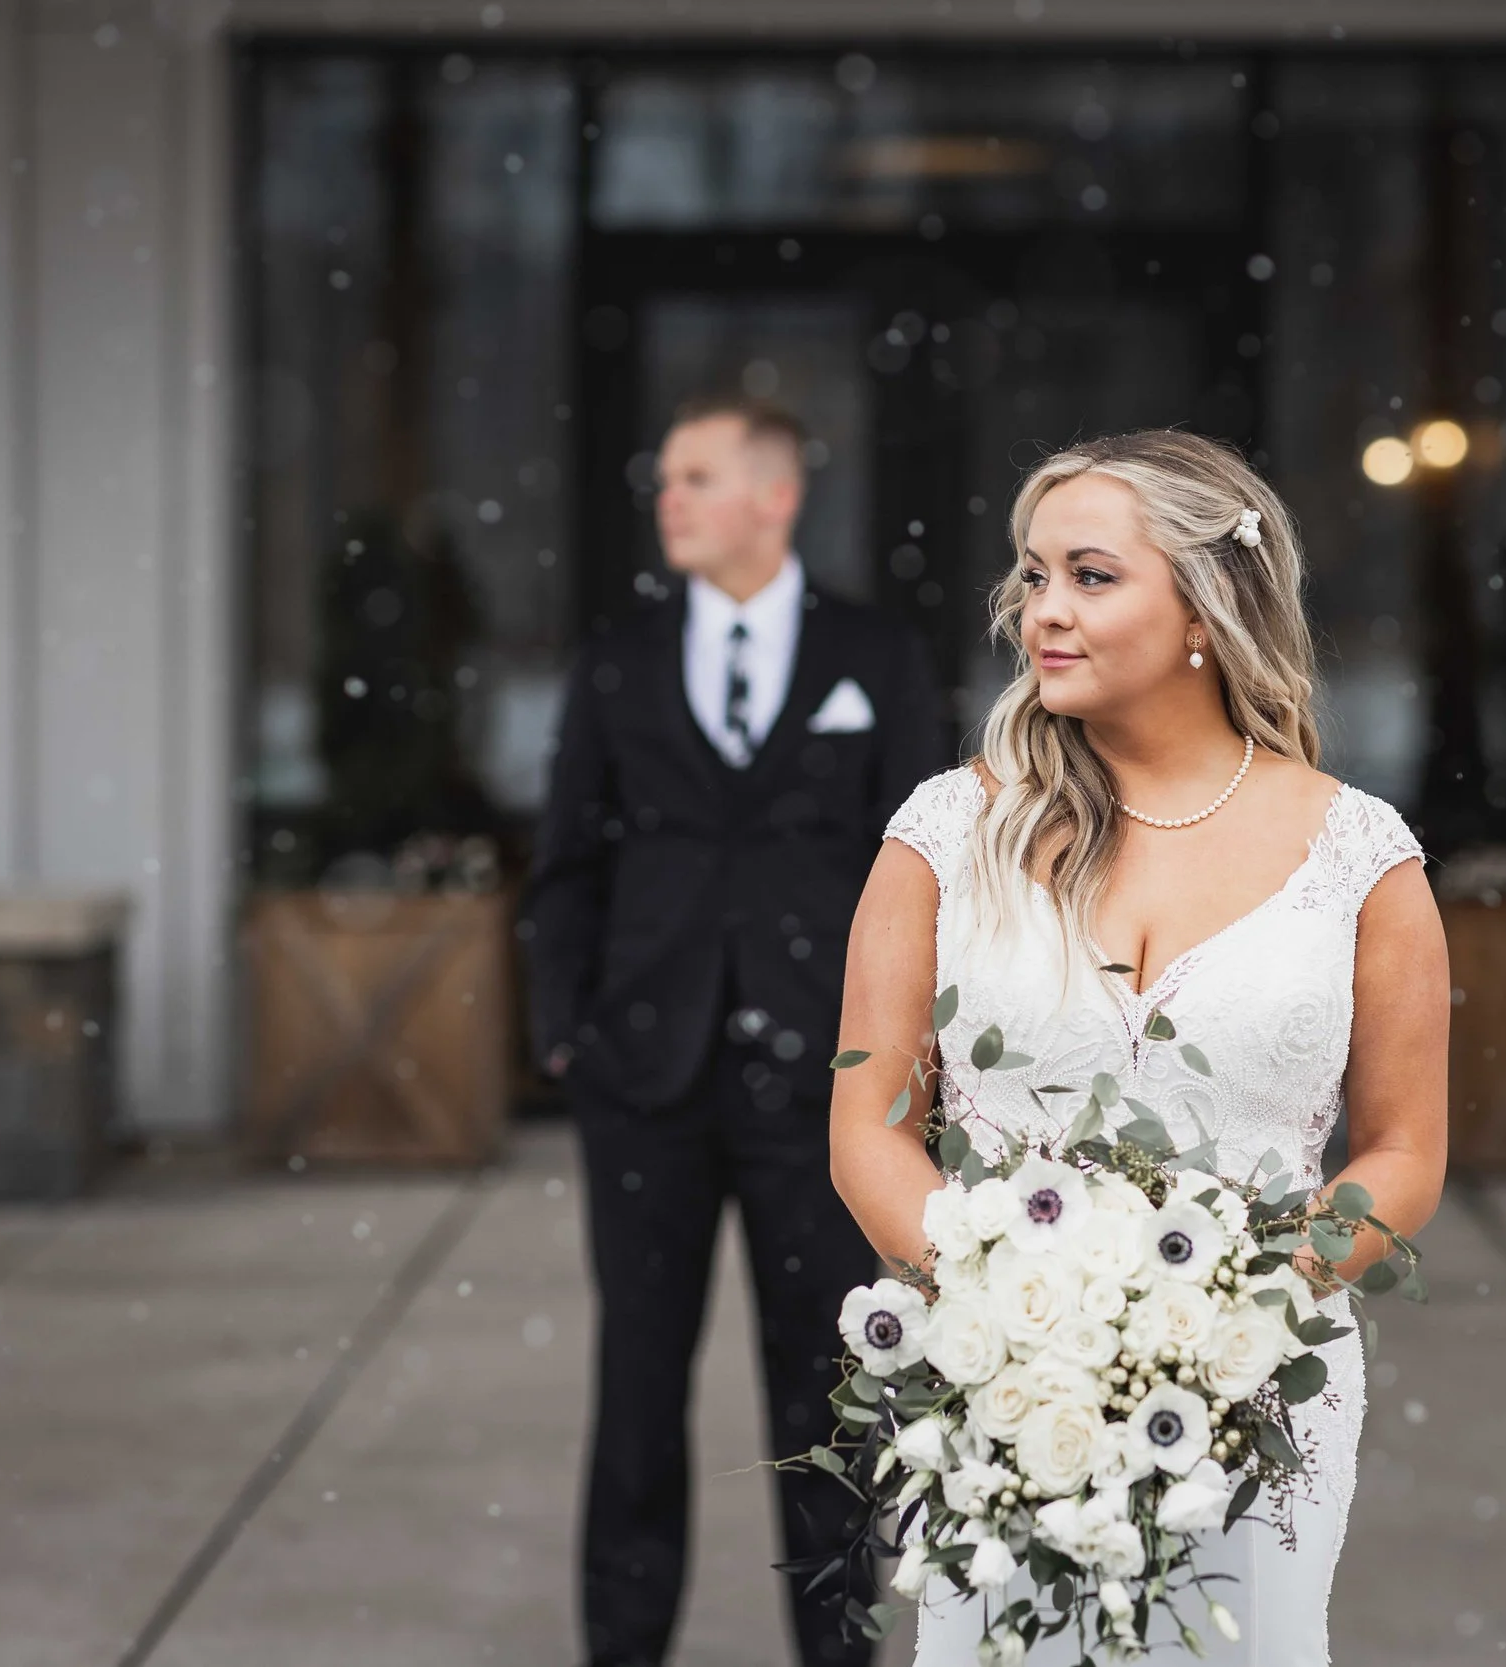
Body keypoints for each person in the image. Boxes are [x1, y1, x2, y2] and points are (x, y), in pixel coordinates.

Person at [827, 430, 1452, 1665]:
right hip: (1004, 1394)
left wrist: (1245, 1307)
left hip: (1264, 1388)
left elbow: (1402, 1146)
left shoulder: (1359, 858)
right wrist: (1000, 1317)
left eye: (1090, 576)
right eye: (1033, 574)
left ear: (1205, 613)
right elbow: (868, 1122)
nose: (1042, 611)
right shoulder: (946, 833)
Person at [523, 394, 946, 1667]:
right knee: (638, 1390)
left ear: (777, 495)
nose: (671, 496)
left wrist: (909, 1061)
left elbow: (922, 868)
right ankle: (622, 1645)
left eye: (699, 476)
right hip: (644, 1078)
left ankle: (836, 1650)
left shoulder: (876, 655)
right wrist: (566, 1033)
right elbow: (567, 861)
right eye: (667, 477)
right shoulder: (618, 660)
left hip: (824, 1092)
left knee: (826, 1397)